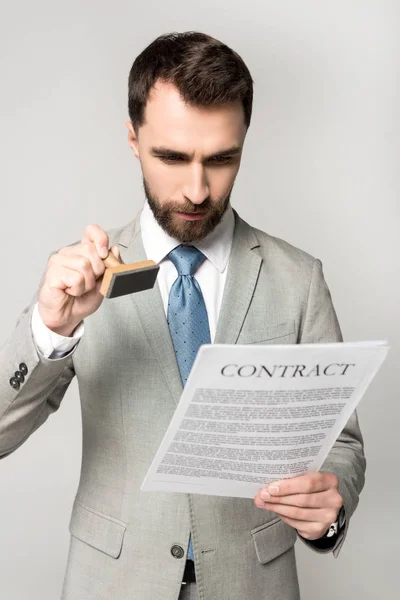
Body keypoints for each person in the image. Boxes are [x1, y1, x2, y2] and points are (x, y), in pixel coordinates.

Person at [0, 31, 365, 600]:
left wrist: (330, 501)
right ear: (132, 138)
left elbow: (341, 443)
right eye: (172, 157)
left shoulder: (299, 277)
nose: (197, 190)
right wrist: (51, 329)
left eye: (221, 159)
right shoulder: (79, 281)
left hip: (254, 583)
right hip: (112, 582)